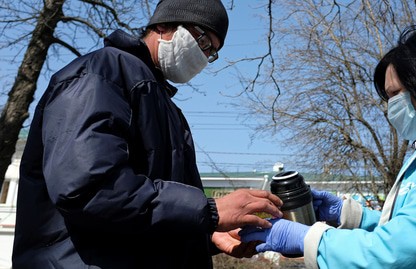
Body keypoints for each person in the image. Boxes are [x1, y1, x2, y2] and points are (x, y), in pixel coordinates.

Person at [12, 0, 283, 268]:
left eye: (211, 52)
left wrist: (208, 234)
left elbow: (145, 216)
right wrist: (208, 210)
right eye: (202, 41)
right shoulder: (101, 73)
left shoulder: (161, 102)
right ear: (163, 25)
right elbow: (88, 188)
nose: (203, 56)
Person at [240, 25, 416, 268]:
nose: (391, 108)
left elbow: (400, 255)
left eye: (396, 94)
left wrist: (309, 239)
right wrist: (351, 216)